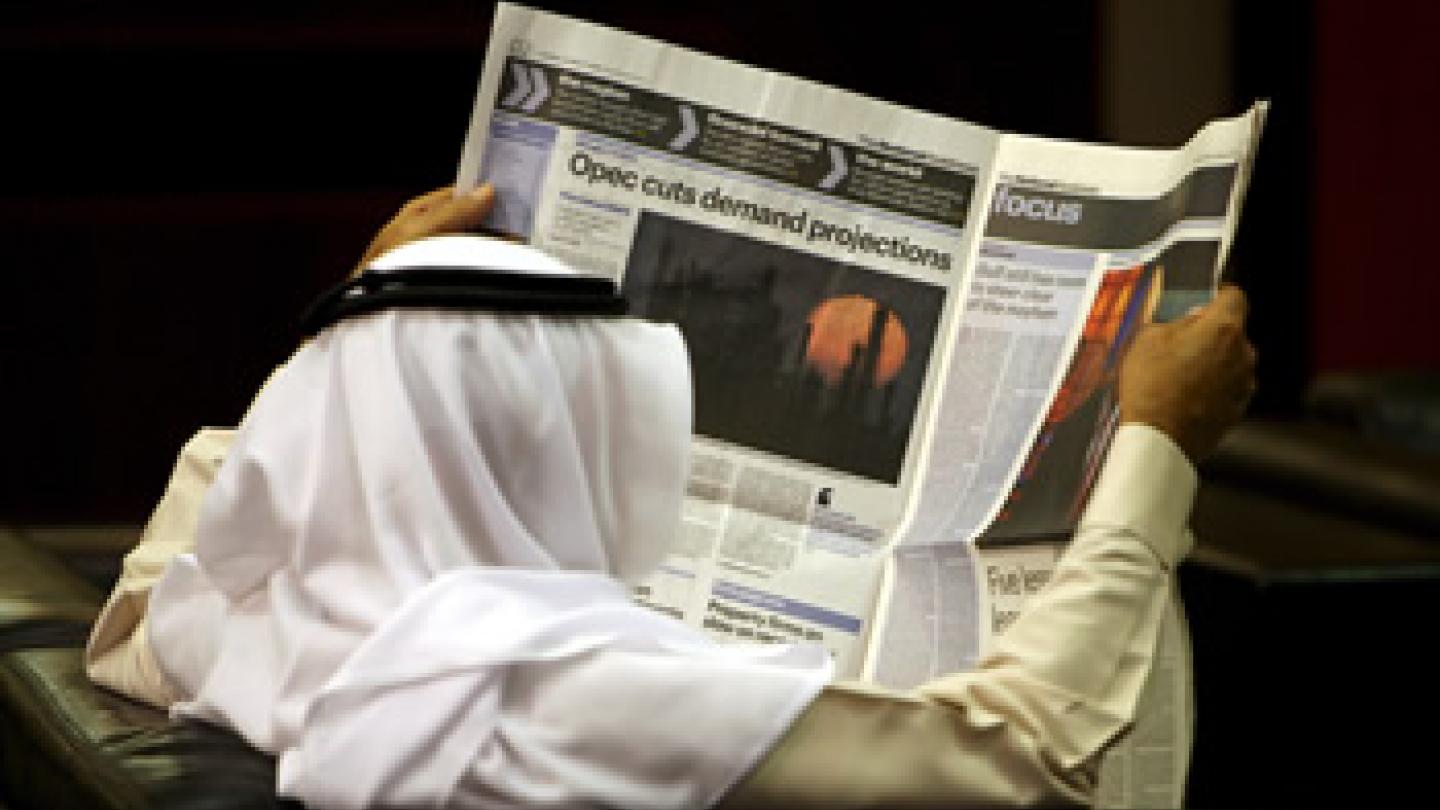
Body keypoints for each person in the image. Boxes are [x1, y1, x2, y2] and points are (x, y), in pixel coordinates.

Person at [86, 186, 1256, 809]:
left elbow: (144, 604)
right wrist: (1154, 443)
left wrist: (359, 319)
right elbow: (1016, 760)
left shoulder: (259, 622)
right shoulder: (549, 690)